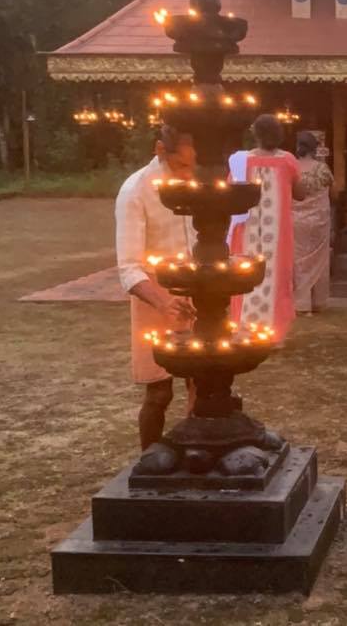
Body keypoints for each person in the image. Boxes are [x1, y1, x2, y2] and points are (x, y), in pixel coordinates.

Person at [115, 125, 196, 450]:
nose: (190, 173)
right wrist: (165, 303)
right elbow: (129, 269)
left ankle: (197, 454)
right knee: (159, 391)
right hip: (155, 298)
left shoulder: (199, 180)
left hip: (198, 293)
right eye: (181, 166)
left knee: (204, 382)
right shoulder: (135, 190)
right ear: (160, 150)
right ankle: (149, 461)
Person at [227, 115, 305, 342]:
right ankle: (273, 334)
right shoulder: (288, 160)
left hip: (247, 230)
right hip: (277, 234)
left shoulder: (241, 162)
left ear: (255, 134)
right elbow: (301, 194)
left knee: (245, 272)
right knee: (275, 276)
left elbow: (231, 191)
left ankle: (244, 330)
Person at [292, 131, 335, 313]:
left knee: (297, 260)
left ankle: (300, 303)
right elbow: (333, 189)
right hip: (318, 220)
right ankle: (317, 301)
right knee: (318, 260)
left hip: (294, 219)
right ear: (315, 148)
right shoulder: (321, 169)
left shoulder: (291, 167)